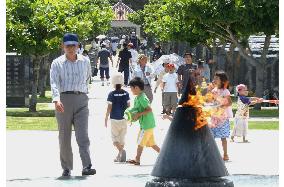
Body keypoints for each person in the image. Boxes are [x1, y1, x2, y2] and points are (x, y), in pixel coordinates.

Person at [50, 33, 96, 176]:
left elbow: (88, 77)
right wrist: (57, 99)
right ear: (63, 46)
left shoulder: (85, 61)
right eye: (67, 45)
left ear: (78, 46)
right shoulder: (57, 63)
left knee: (83, 135)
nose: (70, 48)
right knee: (64, 136)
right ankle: (66, 167)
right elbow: (54, 83)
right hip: (64, 100)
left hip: (81, 99)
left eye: (73, 45)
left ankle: (87, 166)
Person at [126, 77, 160, 165]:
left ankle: (137, 159)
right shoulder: (138, 97)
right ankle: (165, 155)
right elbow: (137, 110)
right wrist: (132, 116)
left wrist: (138, 115)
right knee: (152, 144)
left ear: (136, 88)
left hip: (146, 125)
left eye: (131, 88)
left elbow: (149, 109)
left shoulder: (142, 98)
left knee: (140, 142)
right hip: (148, 124)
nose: (131, 90)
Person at [105, 73, 130, 162]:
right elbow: (128, 105)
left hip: (114, 119)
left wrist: (106, 117)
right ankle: (119, 155)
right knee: (122, 138)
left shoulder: (111, 94)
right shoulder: (126, 93)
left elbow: (109, 107)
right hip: (124, 118)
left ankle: (121, 151)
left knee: (115, 138)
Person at [209, 71, 233, 161]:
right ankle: (212, 154)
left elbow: (230, 102)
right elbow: (212, 101)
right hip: (214, 116)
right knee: (212, 136)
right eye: (214, 78)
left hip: (222, 117)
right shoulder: (213, 90)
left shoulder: (225, 91)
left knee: (223, 137)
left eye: (216, 78)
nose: (214, 80)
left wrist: (221, 106)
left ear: (222, 81)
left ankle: (225, 154)